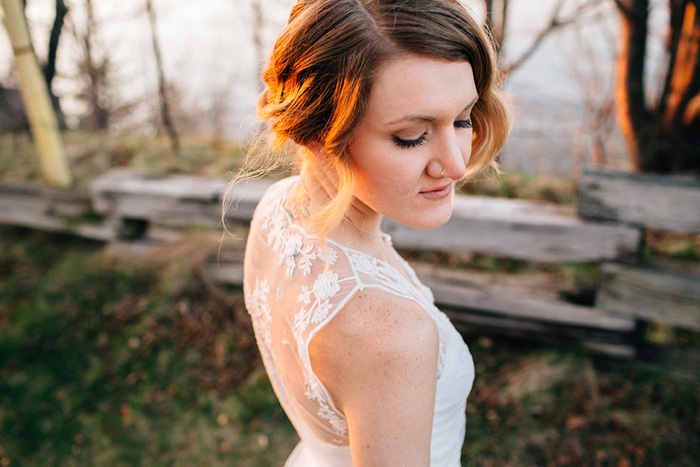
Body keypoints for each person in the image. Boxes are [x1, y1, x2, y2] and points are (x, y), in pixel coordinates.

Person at [240, 0, 512, 465]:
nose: (456, 164)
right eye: (411, 135)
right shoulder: (392, 337)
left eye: (463, 119)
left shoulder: (276, 208)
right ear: (317, 130)